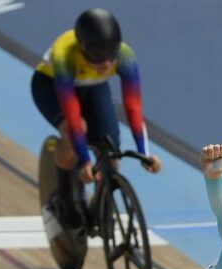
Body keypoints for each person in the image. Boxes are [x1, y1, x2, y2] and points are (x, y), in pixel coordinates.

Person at [31, 8, 161, 230]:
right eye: (99, 60)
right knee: (76, 133)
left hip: (93, 87)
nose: (106, 65)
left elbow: (133, 108)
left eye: (111, 58)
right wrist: (85, 161)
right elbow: (72, 115)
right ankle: (65, 198)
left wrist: (144, 154)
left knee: (110, 150)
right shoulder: (65, 54)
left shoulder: (125, 56)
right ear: (82, 49)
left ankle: (101, 204)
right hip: (51, 86)